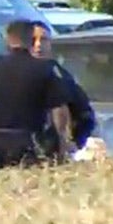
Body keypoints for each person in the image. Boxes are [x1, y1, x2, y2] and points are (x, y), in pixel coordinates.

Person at [0, 20, 73, 170]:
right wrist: (63, 142)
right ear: (30, 39)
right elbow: (59, 110)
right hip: (29, 141)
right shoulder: (44, 69)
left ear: (8, 39)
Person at [31, 21, 97, 153]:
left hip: (51, 148)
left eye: (43, 40)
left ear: (50, 44)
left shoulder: (59, 75)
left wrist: (69, 142)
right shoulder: (14, 72)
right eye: (32, 40)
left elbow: (82, 112)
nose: (38, 45)